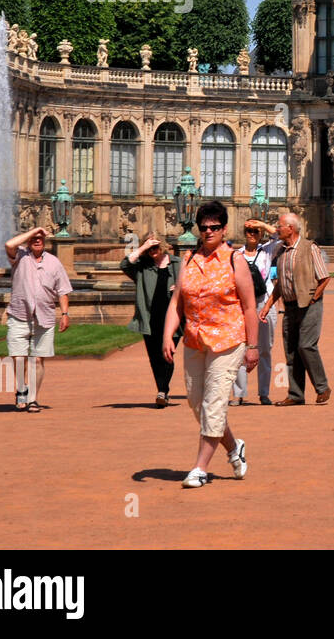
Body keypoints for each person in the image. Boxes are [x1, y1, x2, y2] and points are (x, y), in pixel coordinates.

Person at [163, 200, 261, 487]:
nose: (208, 232)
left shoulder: (236, 260)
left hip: (228, 341)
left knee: (214, 404)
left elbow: (249, 308)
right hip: (195, 340)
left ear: (224, 229)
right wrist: (169, 335)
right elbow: (176, 302)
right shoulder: (190, 260)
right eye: (204, 227)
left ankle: (199, 468)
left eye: (214, 227)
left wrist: (253, 347)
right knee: (197, 404)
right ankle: (233, 447)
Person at [260, 213, 332, 406]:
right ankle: (295, 394)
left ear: (291, 228)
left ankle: (322, 387)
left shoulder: (310, 248)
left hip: (309, 306)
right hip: (290, 307)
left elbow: (324, 277)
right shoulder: (281, 252)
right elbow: (280, 285)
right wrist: (268, 305)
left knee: (306, 345)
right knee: (291, 351)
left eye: (280, 226)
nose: (277, 229)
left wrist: (314, 298)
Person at [4, 227, 72, 412]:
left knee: (38, 360)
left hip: (45, 317)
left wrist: (65, 314)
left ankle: (33, 398)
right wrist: (35, 230)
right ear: (28, 240)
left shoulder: (54, 263)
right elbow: (9, 244)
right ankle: (21, 390)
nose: (37, 240)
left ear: (45, 242)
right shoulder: (19, 256)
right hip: (19, 315)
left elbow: (63, 291)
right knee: (18, 358)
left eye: (40, 238)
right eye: (34, 238)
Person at [121, 233, 181, 407]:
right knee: (155, 357)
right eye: (149, 247)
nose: (152, 250)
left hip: (173, 317)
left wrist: (180, 287)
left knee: (168, 354)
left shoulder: (177, 263)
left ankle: (163, 390)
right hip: (150, 317)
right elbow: (124, 264)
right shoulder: (142, 267)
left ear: (162, 246)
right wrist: (142, 249)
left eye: (155, 246)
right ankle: (162, 390)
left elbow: (192, 283)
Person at [232, 219, 279, 405]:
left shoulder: (267, 250)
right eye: (248, 230)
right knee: (240, 348)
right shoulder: (237, 254)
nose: (252, 234)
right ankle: (239, 394)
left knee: (265, 349)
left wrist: (262, 224)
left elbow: (279, 235)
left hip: (264, 304)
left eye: (255, 231)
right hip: (242, 305)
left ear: (261, 234)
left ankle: (264, 393)